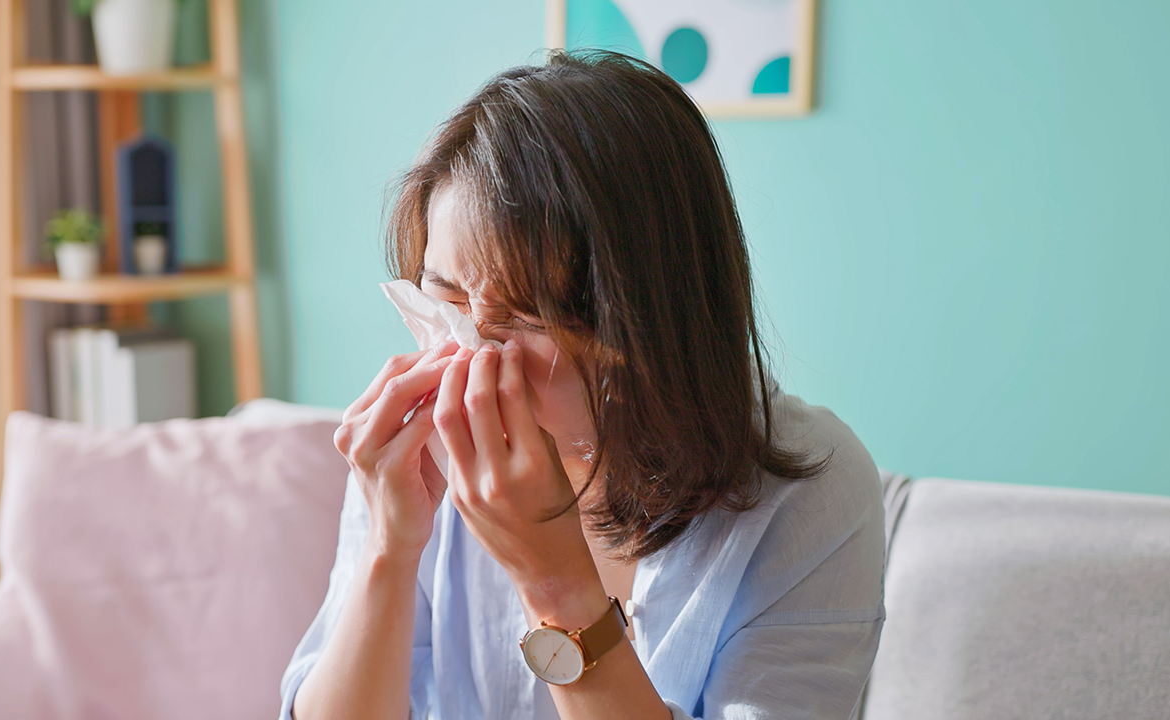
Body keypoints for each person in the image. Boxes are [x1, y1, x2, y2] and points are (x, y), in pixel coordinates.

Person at [279, 48, 885, 720]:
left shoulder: (806, 494)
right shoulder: (416, 455)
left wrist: (555, 584)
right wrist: (388, 549)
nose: (472, 356)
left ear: (646, 323)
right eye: (446, 302)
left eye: (520, 317)